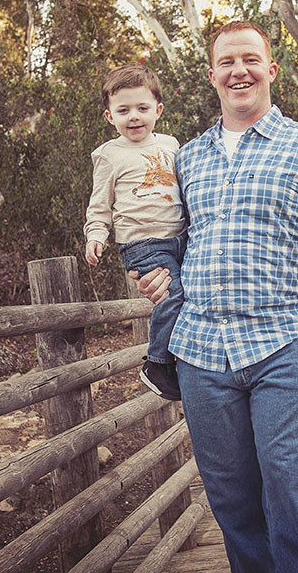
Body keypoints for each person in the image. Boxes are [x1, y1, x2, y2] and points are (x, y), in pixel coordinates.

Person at [134, 20, 298, 573]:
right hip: (199, 350)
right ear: (212, 76)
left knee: (293, 485)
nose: (238, 70)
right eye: (226, 62)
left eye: (249, 59)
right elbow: (168, 238)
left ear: (270, 70)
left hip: (281, 345)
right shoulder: (186, 158)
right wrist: (152, 272)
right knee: (232, 499)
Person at [84, 64, 186, 400]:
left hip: (180, 237)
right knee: (173, 295)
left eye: (142, 108)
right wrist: (96, 234)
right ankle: (157, 363)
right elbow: (100, 203)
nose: (134, 117)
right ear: (109, 116)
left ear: (157, 110)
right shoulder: (109, 155)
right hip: (142, 243)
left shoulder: (171, 145)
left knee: (194, 293)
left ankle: (184, 360)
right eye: (123, 110)